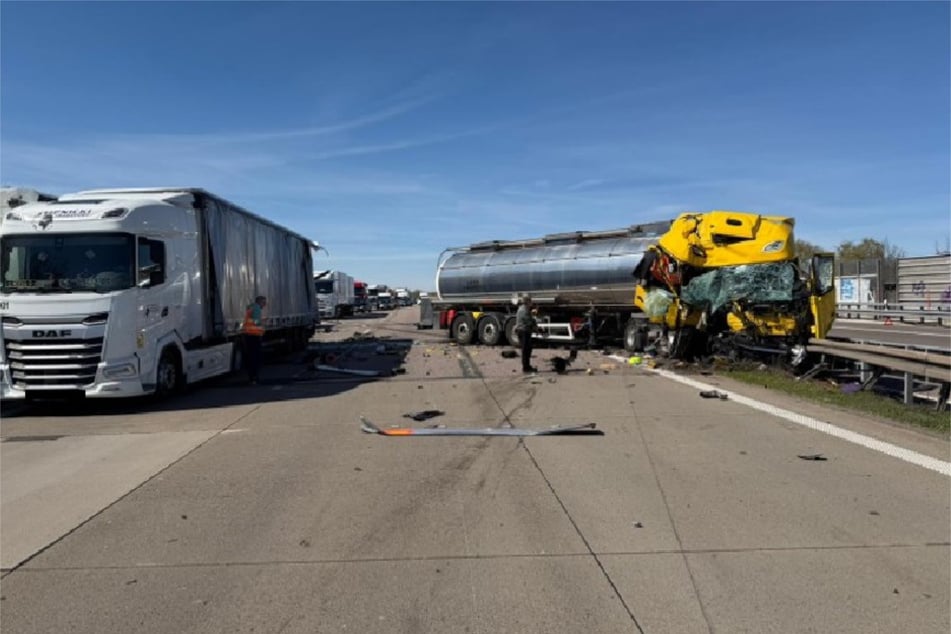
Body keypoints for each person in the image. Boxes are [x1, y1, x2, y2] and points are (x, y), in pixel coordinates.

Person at [242, 295, 267, 384]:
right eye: (264, 302)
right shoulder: (256, 309)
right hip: (254, 336)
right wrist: (263, 321)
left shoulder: (251, 307)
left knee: (251, 357)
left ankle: (252, 377)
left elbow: (249, 321)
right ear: (259, 302)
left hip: (248, 335)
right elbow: (256, 321)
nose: (265, 304)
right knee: (255, 358)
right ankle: (254, 378)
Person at [514, 294, 539, 373]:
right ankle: (526, 368)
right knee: (526, 350)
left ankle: (527, 366)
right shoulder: (524, 310)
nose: (531, 302)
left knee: (527, 349)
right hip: (524, 331)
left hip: (523, 331)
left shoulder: (523, 309)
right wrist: (536, 328)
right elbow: (529, 322)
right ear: (527, 301)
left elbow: (529, 319)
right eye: (530, 300)